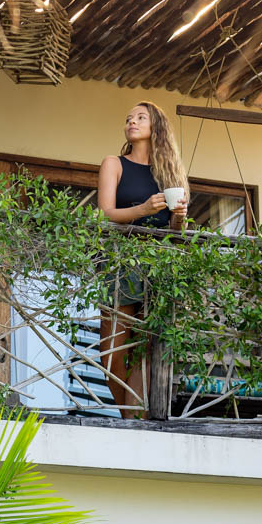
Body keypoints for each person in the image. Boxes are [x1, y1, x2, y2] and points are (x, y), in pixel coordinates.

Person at [97, 102, 189, 417]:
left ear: (156, 128)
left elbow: (174, 233)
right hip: (120, 260)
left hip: (158, 264)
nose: (132, 122)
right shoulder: (114, 164)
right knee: (111, 353)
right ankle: (130, 417)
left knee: (145, 350)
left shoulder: (169, 174)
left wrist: (178, 218)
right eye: (128, 118)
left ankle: (135, 423)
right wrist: (143, 211)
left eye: (140, 117)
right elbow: (105, 214)